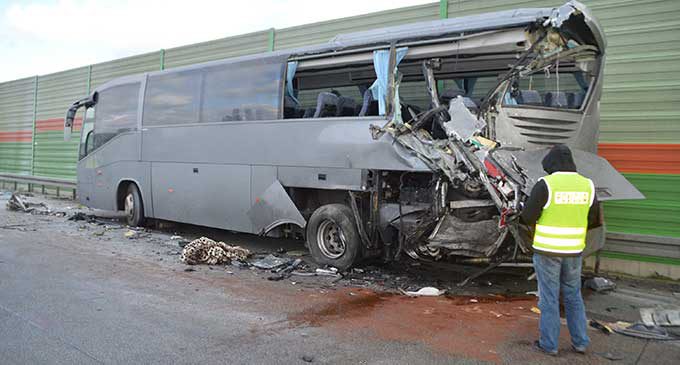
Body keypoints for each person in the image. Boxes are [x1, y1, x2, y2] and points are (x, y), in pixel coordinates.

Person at [520, 144, 601, 356]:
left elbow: (527, 217)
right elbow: (593, 219)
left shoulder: (546, 184)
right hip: (574, 252)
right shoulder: (588, 185)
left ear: (551, 163)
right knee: (573, 296)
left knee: (549, 298)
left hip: (548, 251)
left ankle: (549, 345)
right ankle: (581, 342)